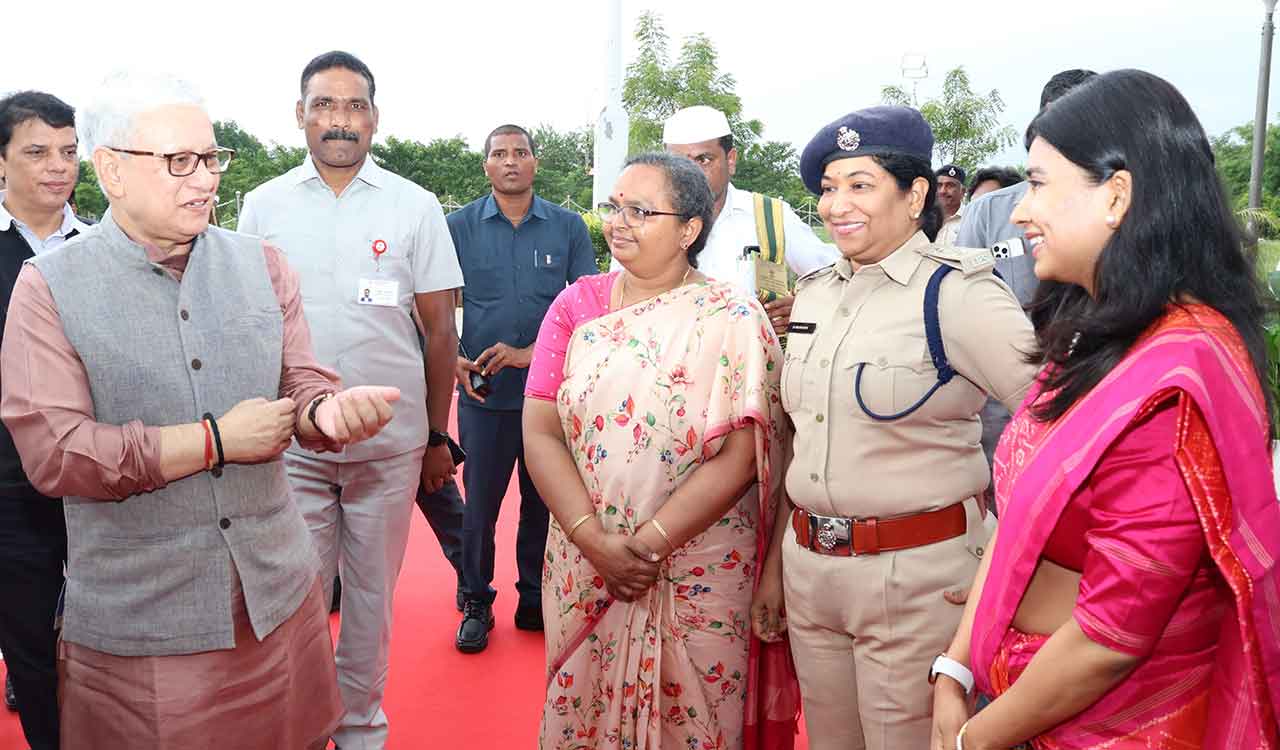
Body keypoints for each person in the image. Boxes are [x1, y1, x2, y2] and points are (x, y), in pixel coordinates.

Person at [0, 70, 401, 750]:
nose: (206, 179)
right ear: (113, 171)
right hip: (148, 624)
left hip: (278, 600)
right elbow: (57, 453)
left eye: (211, 158)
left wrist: (324, 416)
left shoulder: (263, 265)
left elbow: (300, 383)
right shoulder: (49, 288)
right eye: (179, 162)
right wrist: (214, 441)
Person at [932, 69, 1280, 750]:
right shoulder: (1094, 330)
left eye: (1037, 184)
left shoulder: (1175, 374)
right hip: (1018, 701)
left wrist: (974, 739)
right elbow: (1020, 514)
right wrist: (955, 667)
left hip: (1121, 723)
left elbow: (1112, 634)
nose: (1020, 212)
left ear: (1116, 196)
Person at [750, 106, 1039, 750]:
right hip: (812, 572)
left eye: (860, 184)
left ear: (915, 196)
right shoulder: (817, 291)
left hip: (917, 579)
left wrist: (1011, 556)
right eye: (828, 188)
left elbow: (1060, 425)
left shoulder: (959, 294)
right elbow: (799, 439)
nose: (835, 205)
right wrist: (775, 564)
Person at [524, 152, 798, 749]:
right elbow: (541, 430)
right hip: (585, 557)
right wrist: (594, 540)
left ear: (688, 230)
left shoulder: (732, 317)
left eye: (640, 210)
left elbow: (743, 454)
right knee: (584, 713)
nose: (618, 222)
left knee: (697, 720)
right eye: (614, 207)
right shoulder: (576, 307)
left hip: (700, 561)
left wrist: (646, 547)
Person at [236, 50, 464, 750]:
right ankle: (302, 726)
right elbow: (245, 323)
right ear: (300, 115)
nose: (340, 120)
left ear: (374, 117)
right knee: (296, 599)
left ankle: (361, 728)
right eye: (325, 105)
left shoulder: (414, 206)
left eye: (354, 106)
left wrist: (432, 436)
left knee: (370, 603)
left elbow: (438, 331)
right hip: (294, 446)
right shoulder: (262, 206)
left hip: (388, 450)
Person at [442, 124, 596, 654]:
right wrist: (451, 360)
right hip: (483, 398)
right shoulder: (456, 227)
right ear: (485, 164)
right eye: (499, 153)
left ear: (536, 162)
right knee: (480, 506)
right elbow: (431, 308)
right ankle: (475, 600)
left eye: (521, 152)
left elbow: (587, 312)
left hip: (549, 397)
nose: (511, 161)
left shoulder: (567, 228)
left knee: (543, 501)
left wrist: (531, 355)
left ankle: (535, 596)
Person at [956, 69, 1097, 488]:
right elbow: (963, 304)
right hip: (1006, 401)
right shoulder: (992, 212)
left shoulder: (1125, 212)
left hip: (1097, 387)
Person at [0, 89, 89, 750]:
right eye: (37, 151)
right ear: (2, 161)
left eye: (67, 150)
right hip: (7, 493)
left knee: (101, 646)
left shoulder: (103, 248)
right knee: (30, 647)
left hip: (97, 482)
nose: (57, 166)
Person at [660, 105, 839, 335]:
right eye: (678, 162)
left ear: (731, 160)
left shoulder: (769, 216)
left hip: (755, 367)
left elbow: (835, 277)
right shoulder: (646, 222)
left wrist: (806, 307)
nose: (690, 173)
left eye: (703, 159)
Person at [935, 164, 966, 244]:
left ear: (962, 191)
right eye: (939, 185)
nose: (942, 191)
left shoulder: (971, 219)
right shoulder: (923, 217)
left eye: (950, 186)